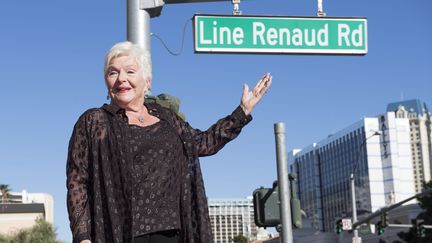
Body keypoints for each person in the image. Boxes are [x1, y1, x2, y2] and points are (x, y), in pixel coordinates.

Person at [66, 41, 272, 243]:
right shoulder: (94, 121)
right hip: (119, 231)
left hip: (171, 232)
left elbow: (203, 143)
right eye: (113, 72)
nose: (121, 79)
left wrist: (242, 112)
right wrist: (82, 236)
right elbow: (77, 182)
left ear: (147, 81)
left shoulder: (167, 118)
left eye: (130, 71)